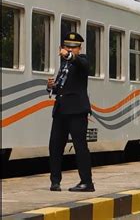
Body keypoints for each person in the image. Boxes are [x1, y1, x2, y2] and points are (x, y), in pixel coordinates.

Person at [47, 32, 94, 192]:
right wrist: (51, 86)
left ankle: (87, 182)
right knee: (54, 145)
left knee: (80, 146)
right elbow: (63, 85)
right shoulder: (63, 64)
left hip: (77, 111)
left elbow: (79, 63)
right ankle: (55, 181)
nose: (70, 49)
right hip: (61, 109)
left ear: (79, 49)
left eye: (73, 47)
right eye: (67, 47)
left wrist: (68, 55)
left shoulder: (83, 61)